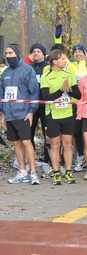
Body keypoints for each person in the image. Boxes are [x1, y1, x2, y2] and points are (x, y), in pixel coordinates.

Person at [41, 49, 81, 185]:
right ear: (55, 61)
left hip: (68, 114)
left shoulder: (69, 74)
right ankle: (56, 172)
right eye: (63, 58)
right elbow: (46, 97)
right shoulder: (45, 76)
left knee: (68, 144)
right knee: (55, 145)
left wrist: (69, 90)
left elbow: (78, 95)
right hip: (52, 115)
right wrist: (60, 91)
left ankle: (68, 172)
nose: (65, 61)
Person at [0, 44, 39, 184]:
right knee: (16, 142)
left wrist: (31, 111)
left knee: (26, 142)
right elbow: (2, 94)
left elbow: (34, 92)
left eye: (10, 53)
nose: (8, 56)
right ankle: (22, 171)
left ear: (17, 53)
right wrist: (3, 113)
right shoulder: (5, 72)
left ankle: (33, 172)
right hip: (9, 114)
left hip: (23, 113)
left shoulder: (27, 70)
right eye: (6, 53)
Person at [30, 44, 51, 175]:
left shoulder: (47, 68)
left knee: (47, 135)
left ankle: (48, 161)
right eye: (34, 51)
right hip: (32, 106)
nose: (36, 53)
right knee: (29, 134)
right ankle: (31, 160)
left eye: (38, 51)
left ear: (44, 54)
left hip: (45, 106)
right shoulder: (29, 68)